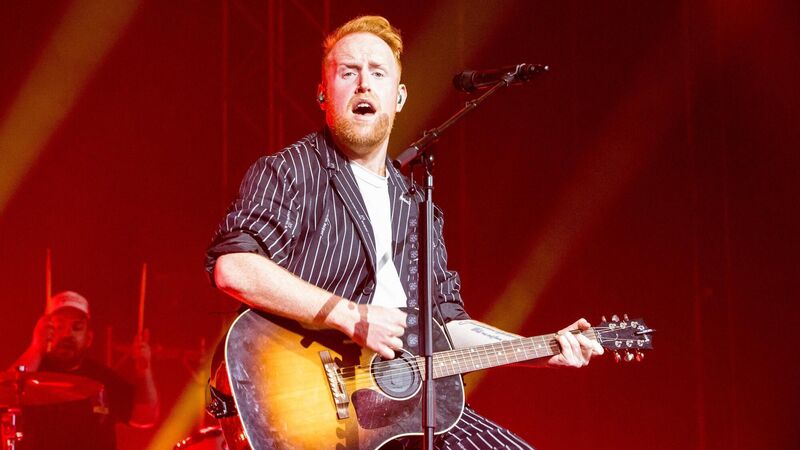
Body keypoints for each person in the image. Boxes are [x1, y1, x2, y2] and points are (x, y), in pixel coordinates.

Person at [205, 15, 603, 449]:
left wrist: (540, 349)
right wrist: (351, 316)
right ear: (323, 93)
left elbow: (447, 325)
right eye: (348, 72)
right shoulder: (291, 171)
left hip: (410, 412)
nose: (363, 84)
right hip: (313, 413)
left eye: (378, 73)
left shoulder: (417, 206)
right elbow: (234, 267)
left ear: (398, 98)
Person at [7, 290, 160, 450]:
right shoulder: (32, 372)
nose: (68, 334)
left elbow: (145, 418)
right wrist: (36, 347)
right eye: (59, 326)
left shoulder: (102, 379)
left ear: (89, 339)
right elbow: (5, 397)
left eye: (77, 327)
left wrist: (144, 368)